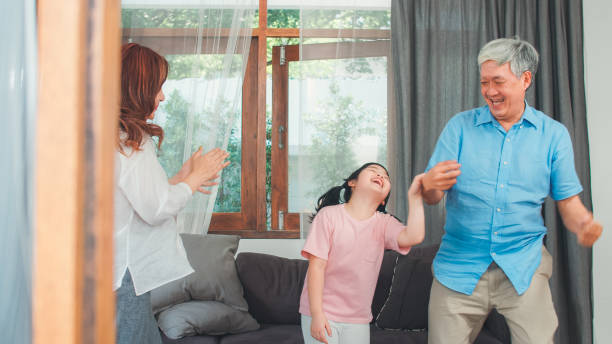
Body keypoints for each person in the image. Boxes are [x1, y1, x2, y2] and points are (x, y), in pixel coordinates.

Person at [423, 37, 603, 344]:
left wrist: (584, 223)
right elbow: (432, 194)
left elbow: (568, 201)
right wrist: (429, 186)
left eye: (498, 81)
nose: (490, 91)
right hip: (459, 267)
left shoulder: (553, 135)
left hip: (523, 264)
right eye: (484, 82)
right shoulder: (459, 127)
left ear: (525, 79)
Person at [114, 43, 230, 344]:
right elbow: (155, 210)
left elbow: (141, 199)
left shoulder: (111, 136)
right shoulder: (130, 143)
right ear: (137, 88)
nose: (162, 96)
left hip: (113, 271)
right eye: (158, 87)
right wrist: (194, 179)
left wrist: (183, 177)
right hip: (126, 275)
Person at [299, 162, 425, 344]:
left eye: (386, 177)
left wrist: (415, 198)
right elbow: (316, 267)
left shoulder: (385, 223)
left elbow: (414, 236)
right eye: (374, 171)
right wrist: (317, 314)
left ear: (383, 200)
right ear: (353, 182)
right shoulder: (329, 216)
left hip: (358, 319)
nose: (381, 176)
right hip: (322, 312)